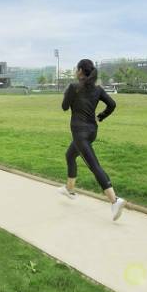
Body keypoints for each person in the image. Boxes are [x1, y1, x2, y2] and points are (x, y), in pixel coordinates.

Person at [58, 59, 126, 221]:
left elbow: (64, 107)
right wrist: (101, 116)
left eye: (77, 69)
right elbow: (112, 104)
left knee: (94, 166)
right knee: (70, 156)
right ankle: (69, 189)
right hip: (91, 132)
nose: (76, 72)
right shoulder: (98, 89)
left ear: (81, 71)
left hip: (80, 134)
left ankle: (115, 200)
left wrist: (68, 94)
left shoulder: (73, 87)